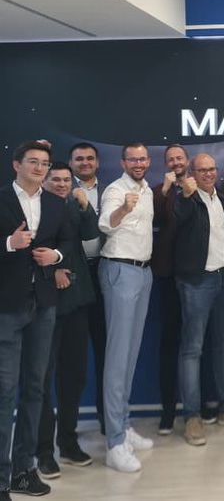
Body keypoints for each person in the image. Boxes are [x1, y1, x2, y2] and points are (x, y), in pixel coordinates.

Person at [0, 141, 72, 497]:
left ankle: (24, 471)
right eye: (33, 162)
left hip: (43, 305)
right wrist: (8, 243)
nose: (40, 168)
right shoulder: (1, 198)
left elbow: (68, 243)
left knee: (35, 389)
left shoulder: (57, 203)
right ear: (17, 165)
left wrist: (55, 256)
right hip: (6, 307)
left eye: (45, 163)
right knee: (4, 392)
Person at [173, 154, 224, 446]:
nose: (208, 174)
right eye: (202, 170)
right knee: (192, 349)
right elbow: (177, 220)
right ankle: (192, 416)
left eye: (211, 169)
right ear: (193, 173)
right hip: (197, 281)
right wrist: (185, 195)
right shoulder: (186, 199)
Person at [36, 163, 98, 478]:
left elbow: (91, 234)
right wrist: (53, 269)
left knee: (74, 375)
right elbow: (29, 251)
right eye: (55, 180)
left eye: (65, 180)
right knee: (42, 380)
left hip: (76, 301)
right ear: (44, 181)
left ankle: (68, 442)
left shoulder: (74, 204)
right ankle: (44, 451)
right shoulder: (33, 207)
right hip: (44, 304)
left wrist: (85, 206)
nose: (61, 184)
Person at [97, 143, 157, 473]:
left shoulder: (147, 190)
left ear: (148, 161)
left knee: (130, 356)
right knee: (118, 358)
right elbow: (106, 223)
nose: (138, 163)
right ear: (123, 162)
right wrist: (123, 209)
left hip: (143, 272)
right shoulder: (116, 190)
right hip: (120, 270)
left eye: (142, 158)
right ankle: (115, 442)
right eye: (132, 159)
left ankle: (123, 423)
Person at [151, 144, 189, 435]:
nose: (176, 162)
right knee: (169, 344)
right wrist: (164, 191)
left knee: (197, 343)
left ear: (187, 161)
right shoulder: (157, 191)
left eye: (179, 158)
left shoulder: (200, 188)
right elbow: (153, 221)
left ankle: (199, 406)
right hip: (167, 277)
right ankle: (168, 410)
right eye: (171, 159)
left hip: (197, 277)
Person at [69, 142, 107, 434]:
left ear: (97, 162)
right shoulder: (61, 191)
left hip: (105, 274)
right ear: (71, 163)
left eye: (89, 158)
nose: (85, 163)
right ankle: (68, 429)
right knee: (74, 357)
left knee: (106, 353)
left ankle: (109, 422)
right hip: (73, 278)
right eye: (79, 159)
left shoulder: (111, 192)